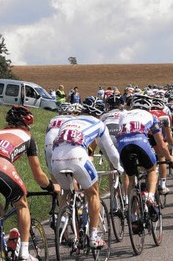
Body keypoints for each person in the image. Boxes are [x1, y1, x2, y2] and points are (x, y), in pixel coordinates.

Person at [0, 106, 57, 261]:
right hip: (1, 167)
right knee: (22, 205)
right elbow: (38, 175)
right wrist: (51, 187)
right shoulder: (27, 136)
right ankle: (24, 254)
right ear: (26, 125)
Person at [51, 103, 123, 248]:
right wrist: (118, 167)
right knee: (93, 193)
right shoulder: (99, 124)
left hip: (55, 160)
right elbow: (111, 152)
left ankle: (64, 219)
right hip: (77, 157)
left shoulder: (67, 121)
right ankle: (94, 236)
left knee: (66, 192)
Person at [117, 95, 173, 222]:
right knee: (152, 170)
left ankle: (133, 215)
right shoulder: (151, 116)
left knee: (131, 178)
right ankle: (150, 196)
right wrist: (169, 157)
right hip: (140, 142)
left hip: (123, 145)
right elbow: (161, 143)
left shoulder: (123, 115)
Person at [149, 97, 173, 194]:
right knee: (162, 157)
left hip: (145, 138)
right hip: (157, 138)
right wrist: (171, 143)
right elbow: (168, 135)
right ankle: (162, 185)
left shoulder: (147, 113)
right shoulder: (164, 115)